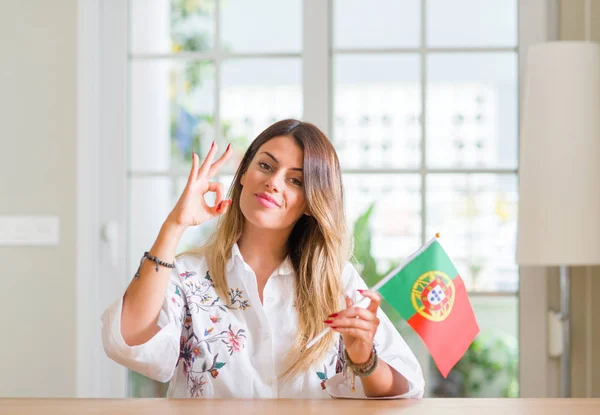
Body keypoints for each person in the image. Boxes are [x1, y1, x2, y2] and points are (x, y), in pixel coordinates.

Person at [101, 119, 424, 399]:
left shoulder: (336, 281)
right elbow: (130, 345)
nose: (273, 182)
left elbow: (402, 389)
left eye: (295, 180)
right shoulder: (187, 274)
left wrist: (363, 356)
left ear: (312, 202)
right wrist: (174, 226)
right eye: (266, 166)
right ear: (244, 174)